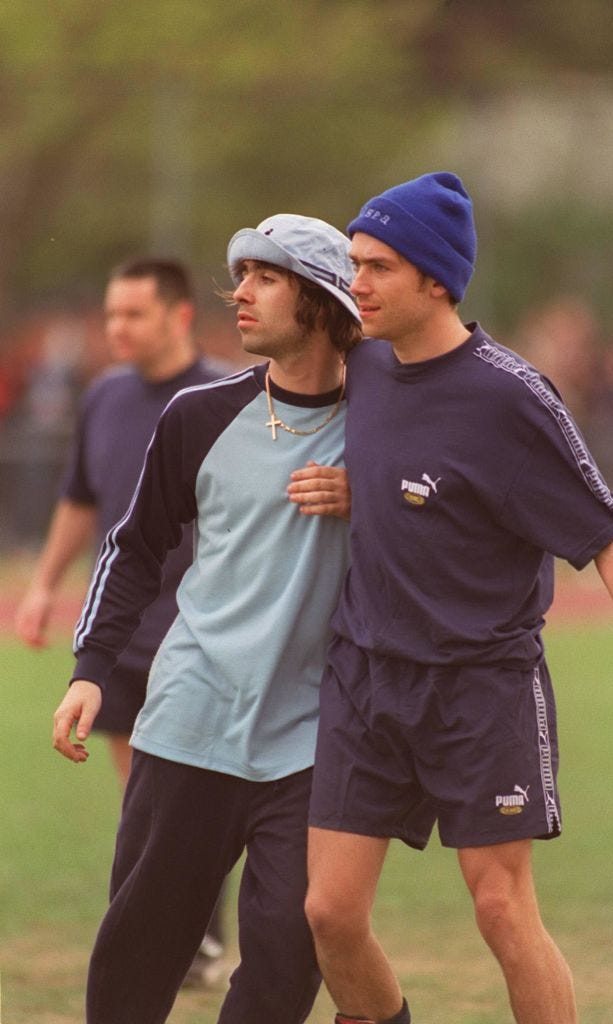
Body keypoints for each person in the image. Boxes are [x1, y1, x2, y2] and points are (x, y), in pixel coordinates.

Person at [300, 172, 613, 1024]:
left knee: (503, 911)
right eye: (353, 262)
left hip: (481, 687)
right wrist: (363, 490)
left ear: (435, 279)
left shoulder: (510, 395)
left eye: (377, 266)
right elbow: (417, 482)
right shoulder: (360, 366)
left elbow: (610, 539)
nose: (355, 282)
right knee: (328, 913)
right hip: (365, 676)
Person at [51, 214, 361, 1024]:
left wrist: (371, 497)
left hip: (312, 743)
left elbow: (458, 520)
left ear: (323, 301)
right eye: (242, 274)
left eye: (266, 278)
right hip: (187, 720)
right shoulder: (195, 415)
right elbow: (133, 548)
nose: (241, 294)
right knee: (137, 959)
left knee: (287, 964)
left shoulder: (388, 429)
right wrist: (90, 672)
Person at [16, 257, 231, 987]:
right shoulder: (104, 396)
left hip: (201, 631)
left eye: (133, 315)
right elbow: (81, 497)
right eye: (110, 315)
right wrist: (44, 583)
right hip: (123, 632)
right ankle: (192, 937)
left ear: (177, 316)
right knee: (141, 788)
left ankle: (197, 935)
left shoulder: (226, 395)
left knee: (188, 789)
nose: (116, 330)